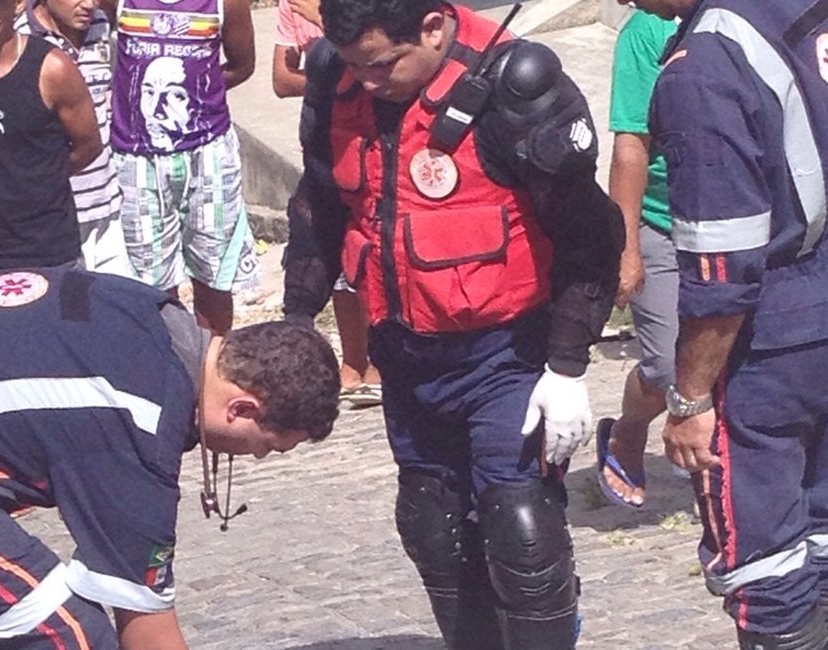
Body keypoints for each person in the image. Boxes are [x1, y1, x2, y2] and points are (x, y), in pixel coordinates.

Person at [0, 267, 340, 648]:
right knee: (70, 632)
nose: (258, 457)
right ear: (242, 409)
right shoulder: (140, 416)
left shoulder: (157, 317)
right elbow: (142, 617)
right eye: (269, 446)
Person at [312, 0, 625, 647]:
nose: (367, 82)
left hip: (505, 354)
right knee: (434, 524)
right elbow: (320, 206)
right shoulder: (339, 82)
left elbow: (590, 240)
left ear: (433, 27)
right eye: (353, 66)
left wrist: (568, 367)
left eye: (381, 65)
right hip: (405, 353)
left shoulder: (520, 88)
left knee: (520, 524)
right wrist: (294, 314)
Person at [636, 0, 828, 646]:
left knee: (766, 573)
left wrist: (689, 398)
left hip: (767, 344)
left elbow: (723, 274)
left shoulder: (703, 68)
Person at [102, 0, 260, 335]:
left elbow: (242, 65)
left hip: (209, 155)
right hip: (136, 156)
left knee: (214, 272)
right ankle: (169, 362)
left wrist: (199, 94)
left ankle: (212, 364)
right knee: (151, 278)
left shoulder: (225, 4)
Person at [0, 0, 103, 272]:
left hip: (49, 252)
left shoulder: (53, 69)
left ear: (18, 4)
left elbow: (89, 145)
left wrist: (36, 178)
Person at [274, 0, 382, 407]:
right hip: (322, 151)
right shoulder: (292, 7)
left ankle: (382, 363)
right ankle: (342, 368)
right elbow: (282, 80)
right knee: (311, 267)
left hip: (373, 145)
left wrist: (329, 29)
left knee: (373, 256)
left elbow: (386, 52)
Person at [595, 9, 679, 508]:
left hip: (749, 219)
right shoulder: (647, 32)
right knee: (669, 365)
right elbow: (631, 147)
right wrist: (626, 247)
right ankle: (628, 431)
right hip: (661, 220)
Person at [14, 0, 134, 277]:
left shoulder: (101, 26)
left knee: (113, 308)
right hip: (54, 215)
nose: (89, 4)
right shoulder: (19, 41)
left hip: (107, 205)